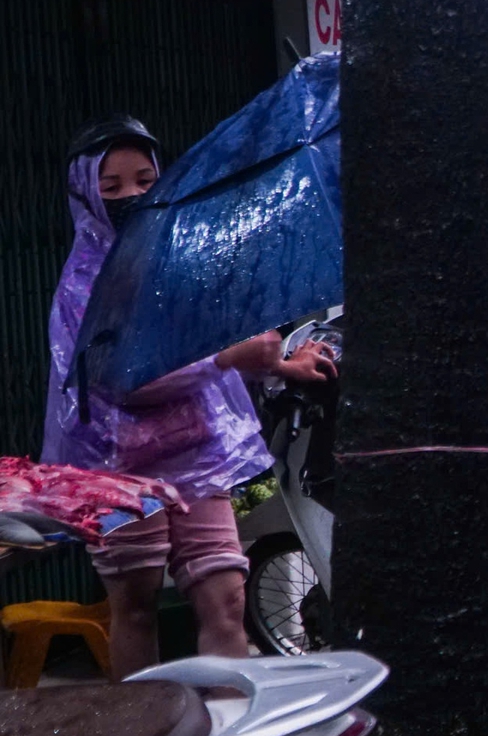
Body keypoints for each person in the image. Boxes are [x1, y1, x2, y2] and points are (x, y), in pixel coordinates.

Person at [45, 116, 337, 680]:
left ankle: (225, 734)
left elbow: (221, 337)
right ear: (85, 196)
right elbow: (123, 380)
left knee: (225, 596)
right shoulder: (83, 286)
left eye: (143, 180)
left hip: (197, 456)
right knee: (134, 606)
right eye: (111, 187)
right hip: (118, 469)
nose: (131, 195)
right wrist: (228, 358)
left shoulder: (182, 263)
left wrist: (279, 362)